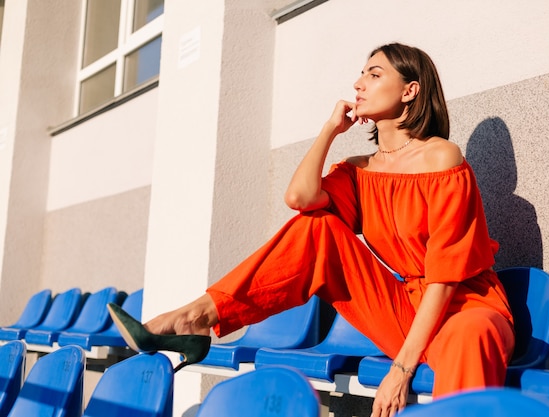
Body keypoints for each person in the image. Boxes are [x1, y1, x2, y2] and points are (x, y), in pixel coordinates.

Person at [111, 43, 515, 417]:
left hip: (465, 306)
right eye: (360, 74)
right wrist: (329, 130)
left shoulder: (441, 156)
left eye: (374, 74)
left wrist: (402, 368)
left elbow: (446, 274)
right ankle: (198, 317)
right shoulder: (361, 171)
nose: (358, 83)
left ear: (409, 91)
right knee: (316, 227)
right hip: (404, 308)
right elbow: (300, 198)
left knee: (472, 333)